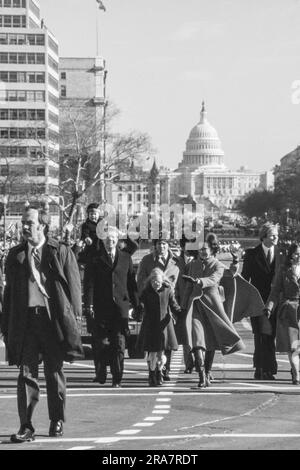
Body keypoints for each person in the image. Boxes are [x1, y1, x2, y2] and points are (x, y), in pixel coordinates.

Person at [1, 208, 83, 443]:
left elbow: (74, 288)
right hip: (26, 322)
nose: (25, 227)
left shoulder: (60, 251)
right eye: (23, 223)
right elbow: (9, 294)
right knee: (26, 373)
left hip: (53, 321)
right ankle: (26, 426)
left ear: (42, 226)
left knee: (54, 372)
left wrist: (73, 321)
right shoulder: (16, 255)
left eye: (29, 223)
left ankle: (56, 419)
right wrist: (5, 324)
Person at [181, 240, 245, 388]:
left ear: (211, 250)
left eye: (205, 249)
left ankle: (208, 371)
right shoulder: (192, 265)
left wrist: (235, 260)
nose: (203, 251)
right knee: (197, 341)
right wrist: (183, 306)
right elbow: (187, 288)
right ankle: (201, 375)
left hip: (213, 306)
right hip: (196, 306)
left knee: (210, 343)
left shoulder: (216, 264)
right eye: (200, 249)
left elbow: (218, 277)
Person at [84, 227, 139, 387]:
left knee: (119, 344)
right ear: (102, 241)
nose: (111, 241)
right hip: (101, 307)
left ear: (118, 241)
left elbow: (131, 284)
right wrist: (88, 305)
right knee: (100, 343)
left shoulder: (126, 258)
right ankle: (101, 373)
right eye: (108, 239)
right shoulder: (95, 259)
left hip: (120, 309)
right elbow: (89, 285)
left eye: (113, 239)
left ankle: (117, 378)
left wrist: (136, 305)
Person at [241, 222, 280, 380]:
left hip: (276, 300)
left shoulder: (280, 254)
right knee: (260, 335)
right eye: (272, 235)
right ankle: (260, 368)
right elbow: (245, 278)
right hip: (257, 301)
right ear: (264, 236)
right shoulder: (252, 254)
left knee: (271, 335)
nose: (276, 238)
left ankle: (268, 368)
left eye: (277, 235)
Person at [137, 238, 180, 381]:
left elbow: (180, 284)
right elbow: (141, 280)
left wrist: (179, 308)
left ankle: (164, 371)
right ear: (154, 246)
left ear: (168, 246)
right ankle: (153, 371)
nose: (161, 246)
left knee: (166, 343)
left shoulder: (177, 261)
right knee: (152, 347)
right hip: (151, 306)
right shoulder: (147, 260)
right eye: (159, 244)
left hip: (169, 305)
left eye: (164, 244)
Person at [265, 243, 300, 385]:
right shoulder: (284, 269)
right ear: (291, 254)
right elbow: (275, 290)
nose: (298, 256)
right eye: (296, 253)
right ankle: (296, 374)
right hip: (288, 310)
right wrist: (269, 307)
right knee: (293, 346)